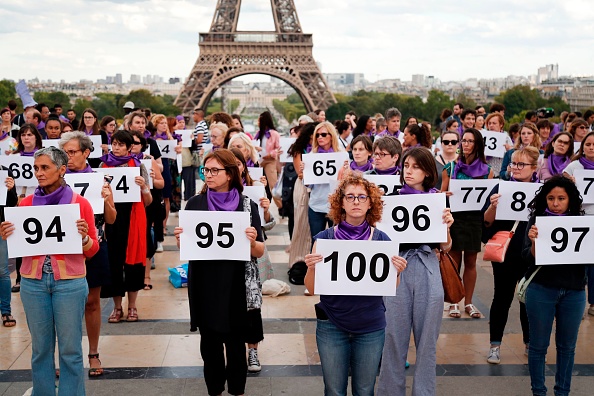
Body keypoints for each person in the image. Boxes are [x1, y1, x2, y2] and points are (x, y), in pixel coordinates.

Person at [0, 146, 99, 395]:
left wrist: (84, 238)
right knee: (40, 349)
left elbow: (93, 249)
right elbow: (19, 243)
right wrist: (6, 236)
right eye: (36, 168)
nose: (39, 173)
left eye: (45, 167)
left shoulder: (80, 203)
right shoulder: (25, 204)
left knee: (70, 350)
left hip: (70, 282)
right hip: (32, 283)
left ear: (61, 169)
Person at [304, 173, 408, 396]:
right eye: (350, 197)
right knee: (334, 391)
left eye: (362, 197)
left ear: (371, 202)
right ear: (340, 202)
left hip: (370, 325)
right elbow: (312, 289)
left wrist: (397, 271)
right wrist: (311, 268)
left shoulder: (382, 240)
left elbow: (392, 286)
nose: (356, 202)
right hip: (331, 324)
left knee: (364, 390)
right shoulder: (324, 238)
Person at [173, 149, 264, 396]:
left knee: (236, 345)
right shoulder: (194, 204)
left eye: (214, 170)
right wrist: (181, 240)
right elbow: (188, 248)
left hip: (236, 283)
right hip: (205, 282)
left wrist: (252, 241)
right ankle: (214, 389)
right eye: (206, 170)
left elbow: (259, 252)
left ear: (230, 174)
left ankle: (237, 389)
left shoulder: (248, 205)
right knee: (209, 344)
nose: (208, 175)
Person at [378, 148, 454, 396]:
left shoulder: (437, 200)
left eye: (415, 167)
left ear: (428, 172)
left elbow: (446, 247)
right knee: (392, 338)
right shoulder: (390, 198)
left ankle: (424, 392)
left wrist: (447, 226)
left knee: (427, 341)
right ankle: (390, 392)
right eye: (406, 165)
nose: (408, 171)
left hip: (427, 266)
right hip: (396, 266)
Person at [523, 176, 586, 396]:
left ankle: (562, 392)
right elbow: (527, 259)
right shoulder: (536, 221)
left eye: (561, 198)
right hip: (541, 289)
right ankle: (538, 391)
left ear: (570, 200)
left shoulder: (581, 222)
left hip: (574, 291)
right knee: (538, 346)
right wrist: (533, 243)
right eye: (551, 198)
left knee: (567, 347)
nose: (556, 203)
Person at [61, 131, 116, 377]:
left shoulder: (100, 179)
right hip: (64, 247)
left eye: (73, 152)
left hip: (94, 245)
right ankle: (67, 355)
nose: (68, 157)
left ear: (86, 153)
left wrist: (106, 200)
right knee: (65, 306)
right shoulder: (56, 180)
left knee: (92, 303)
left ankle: (93, 353)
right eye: (65, 153)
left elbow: (112, 219)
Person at [482, 147, 540, 365]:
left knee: (528, 298)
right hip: (506, 251)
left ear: (534, 168)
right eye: (513, 163)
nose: (515, 168)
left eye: (521, 164)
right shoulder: (501, 187)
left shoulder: (542, 190)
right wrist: (493, 207)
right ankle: (495, 345)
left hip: (531, 252)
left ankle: (529, 342)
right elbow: (486, 224)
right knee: (502, 297)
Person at [99, 130, 152, 322]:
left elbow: (148, 201)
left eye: (121, 145)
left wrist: (144, 187)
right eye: (115, 144)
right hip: (111, 217)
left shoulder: (139, 167)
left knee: (132, 263)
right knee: (113, 261)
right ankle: (116, 307)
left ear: (130, 147)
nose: (117, 148)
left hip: (133, 217)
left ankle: (132, 306)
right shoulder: (102, 166)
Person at [441, 128, 494, 318]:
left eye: (470, 141)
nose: (465, 144)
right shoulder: (451, 168)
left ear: (477, 144)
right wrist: (444, 195)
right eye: (463, 140)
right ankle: (454, 301)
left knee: (471, 261)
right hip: (455, 218)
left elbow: (488, 198)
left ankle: (469, 302)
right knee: (454, 260)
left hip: (474, 219)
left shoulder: (488, 171)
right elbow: (440, 194)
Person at [129, 129, 165, 290]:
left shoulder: (149, 161)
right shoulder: (120, 162)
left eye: (136, 142)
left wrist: (149, 179)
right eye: (130, 142)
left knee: (146, 239)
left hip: (148, 204)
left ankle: (146, 276)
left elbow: (161, 183)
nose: (133, 145)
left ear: (143, 145)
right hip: (130, 206)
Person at [305, 122, 344, 239]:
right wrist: (305, 172)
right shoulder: (312, 155)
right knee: (316, 242)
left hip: (336, 205)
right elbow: (308, 185)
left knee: (336, 242)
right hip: (316, 204)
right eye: (317, 135)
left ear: (331, 135)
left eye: (323, 134)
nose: (319, 137)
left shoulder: (341, 155)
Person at [0, 166, 18, 327]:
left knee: (3, 271)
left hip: (0, 227)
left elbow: (12, 203)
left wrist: (11, 189)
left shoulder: (4, 172)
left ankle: (6, 311)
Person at [253, 111, 281, 207]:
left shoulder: (274, 134)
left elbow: (278, 149)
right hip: (260, 161)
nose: (257, 122)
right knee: (258, 184)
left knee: (273, 185)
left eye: (259, 120)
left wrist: (268, 153)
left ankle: (281, 206)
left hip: (270, 160)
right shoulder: (258, 133)